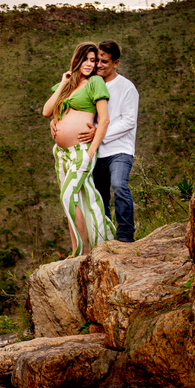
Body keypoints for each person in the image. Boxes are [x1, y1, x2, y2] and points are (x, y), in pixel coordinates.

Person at [43, 42, 116, 257]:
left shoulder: (95, 82)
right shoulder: (67, 84)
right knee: (75, 199)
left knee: (69, 196)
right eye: (85, 59)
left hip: (81, 151)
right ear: (77, 60)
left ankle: (83, 250)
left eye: (93, 60)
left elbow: (104, 121)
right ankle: (78, 249)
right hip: (62, 153)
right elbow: (47, 111)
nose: (89, 63)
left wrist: (91, 152)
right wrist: (65, 81)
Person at [77, 40, 140, 243]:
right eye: (98, 61)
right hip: (96, 150)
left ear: (116, 63)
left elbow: (128, 121)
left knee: (119, 185)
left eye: (104, 61)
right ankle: (106, 235)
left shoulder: (127, 88)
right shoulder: (91, 83)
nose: (99, 65)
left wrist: (99, 133)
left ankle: (125, 235)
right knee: (99, 194)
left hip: (120, 149)